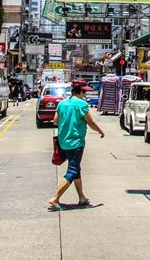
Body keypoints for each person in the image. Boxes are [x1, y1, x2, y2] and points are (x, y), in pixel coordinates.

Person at [47, 79, 105, 211]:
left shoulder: (62, 103)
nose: (85, 94)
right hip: (76, 142)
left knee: (76, 169)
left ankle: (82, 198)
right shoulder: (82, 104)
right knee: (72, 171)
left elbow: (55, 121)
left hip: (63, 142)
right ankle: (55, 198)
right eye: (84, 92)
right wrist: (101, 131)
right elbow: (90, 122)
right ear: (81, 91)